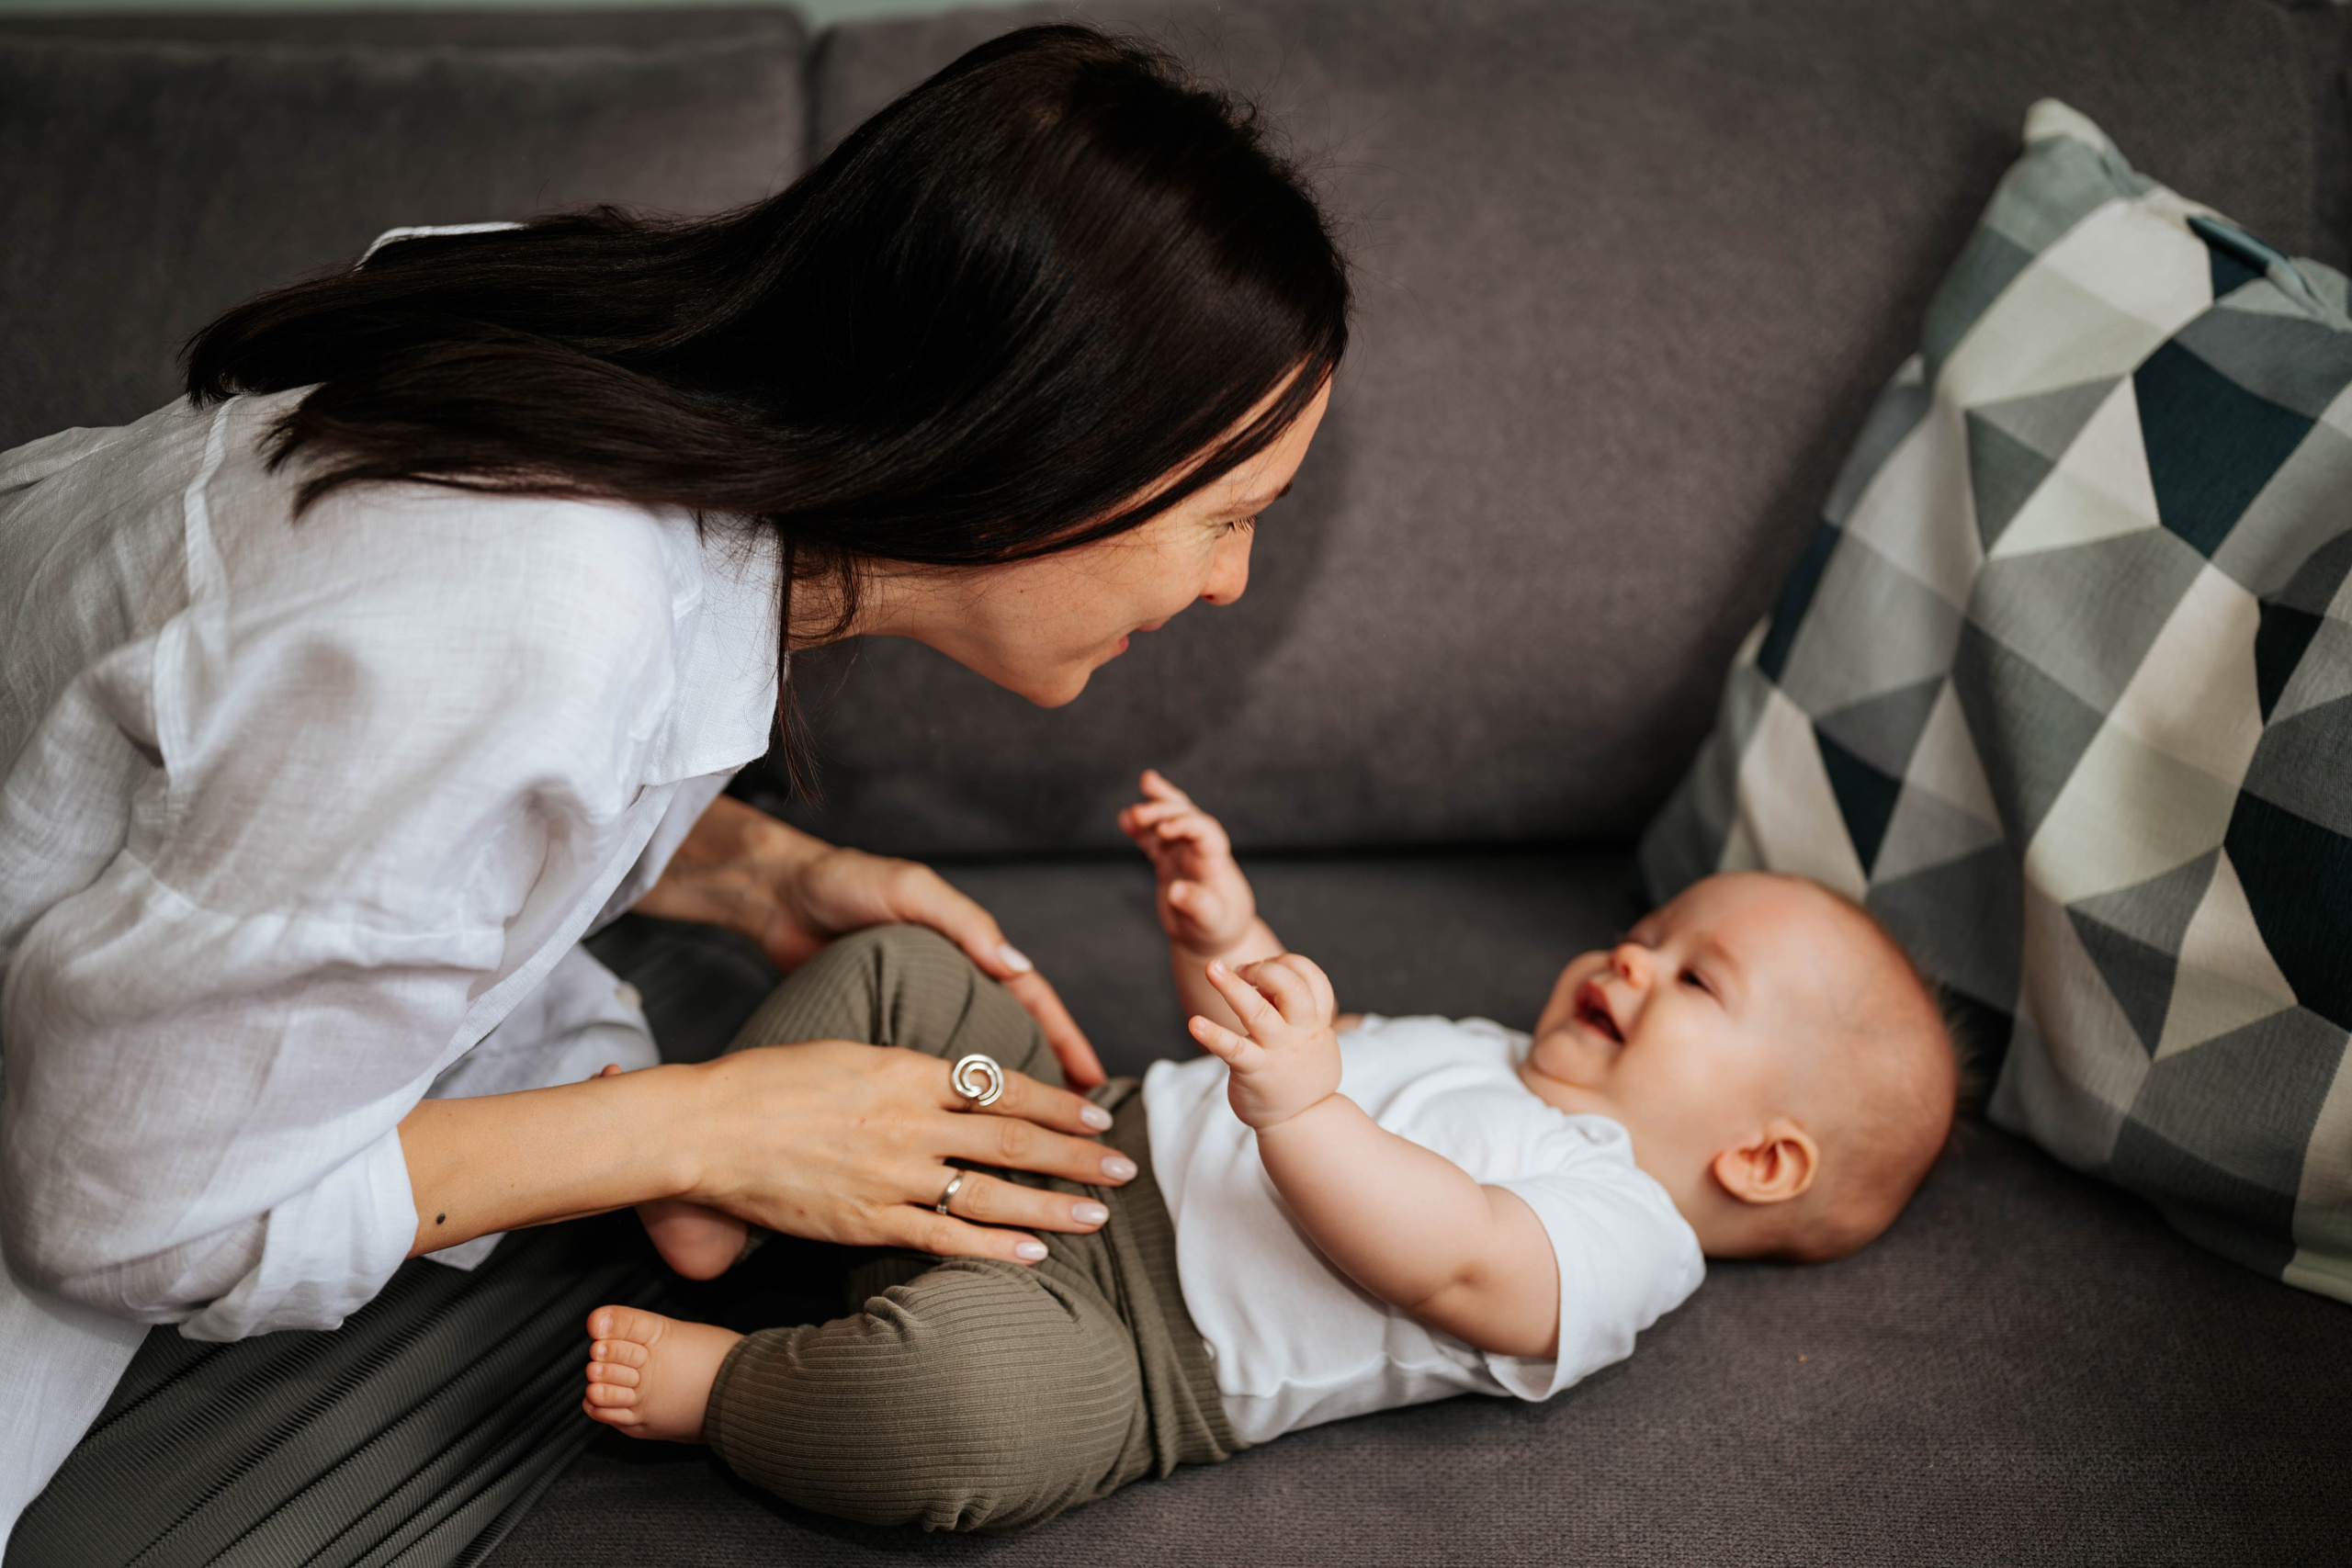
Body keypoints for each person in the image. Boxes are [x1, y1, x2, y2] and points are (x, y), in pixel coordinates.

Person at [0, 26, 1348, 1562]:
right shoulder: (529, 620)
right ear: (1051, 443)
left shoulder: (632, 383)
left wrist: (751, 872)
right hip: (89, 1166)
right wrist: (700, 1132)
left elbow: (313, 768)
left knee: (735, 1023)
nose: (1235, 585)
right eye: (1231, 517)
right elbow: (120, 1211)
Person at [575, 772, 1962, 1531]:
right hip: (1043, 1125)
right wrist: (1221, 934)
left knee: (957, 1422)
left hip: (1113, 1342)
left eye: (1694, 982)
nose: (1631, 961)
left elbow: (1457, 1259)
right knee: (904, 976)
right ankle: (721, 1201)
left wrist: (1305, 1110)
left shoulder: (1627, 1236)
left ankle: (742, 1387)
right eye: (1648, 935)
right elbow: (1278, 1032)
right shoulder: (1484, 1045)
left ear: (1762, 1162)